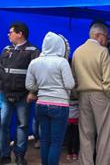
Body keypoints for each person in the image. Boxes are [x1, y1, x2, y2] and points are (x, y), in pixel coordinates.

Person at [72, 21, 110, 165]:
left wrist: (76, 94)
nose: (107, 41)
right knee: (104, 134)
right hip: (102, 96)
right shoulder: (103, 51)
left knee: (85, 134)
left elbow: (73, 78)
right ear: (98, 35)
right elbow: (108, 80)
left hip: (83, 96)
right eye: (106, 37)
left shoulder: (77, 51)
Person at [25, 32, 75, 165]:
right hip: (60, 105)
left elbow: (29, 85)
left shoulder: (34, 62)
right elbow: (70, 84)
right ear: (59, 46)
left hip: (41, 104)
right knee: (56, 142)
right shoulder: (62, 62)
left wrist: (41, 85)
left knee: (45, 140)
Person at [0, 22, 40, 165]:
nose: (8, 34)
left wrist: (32, 92)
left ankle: (19, 156)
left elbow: (37, 74)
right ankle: (4, 154)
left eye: (10, 32)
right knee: (3, 124)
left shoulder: (33, 50)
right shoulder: (5, 50)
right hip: (5, 95)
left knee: (22, 125)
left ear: (20, 33)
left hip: (24, 96)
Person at [66, 89, 79, 161]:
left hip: (68, 117)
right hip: (77, 117)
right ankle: (75, 153)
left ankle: (69, 153)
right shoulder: (79, 96)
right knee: (76, 135)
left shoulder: (66, 95)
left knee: (69, 135)